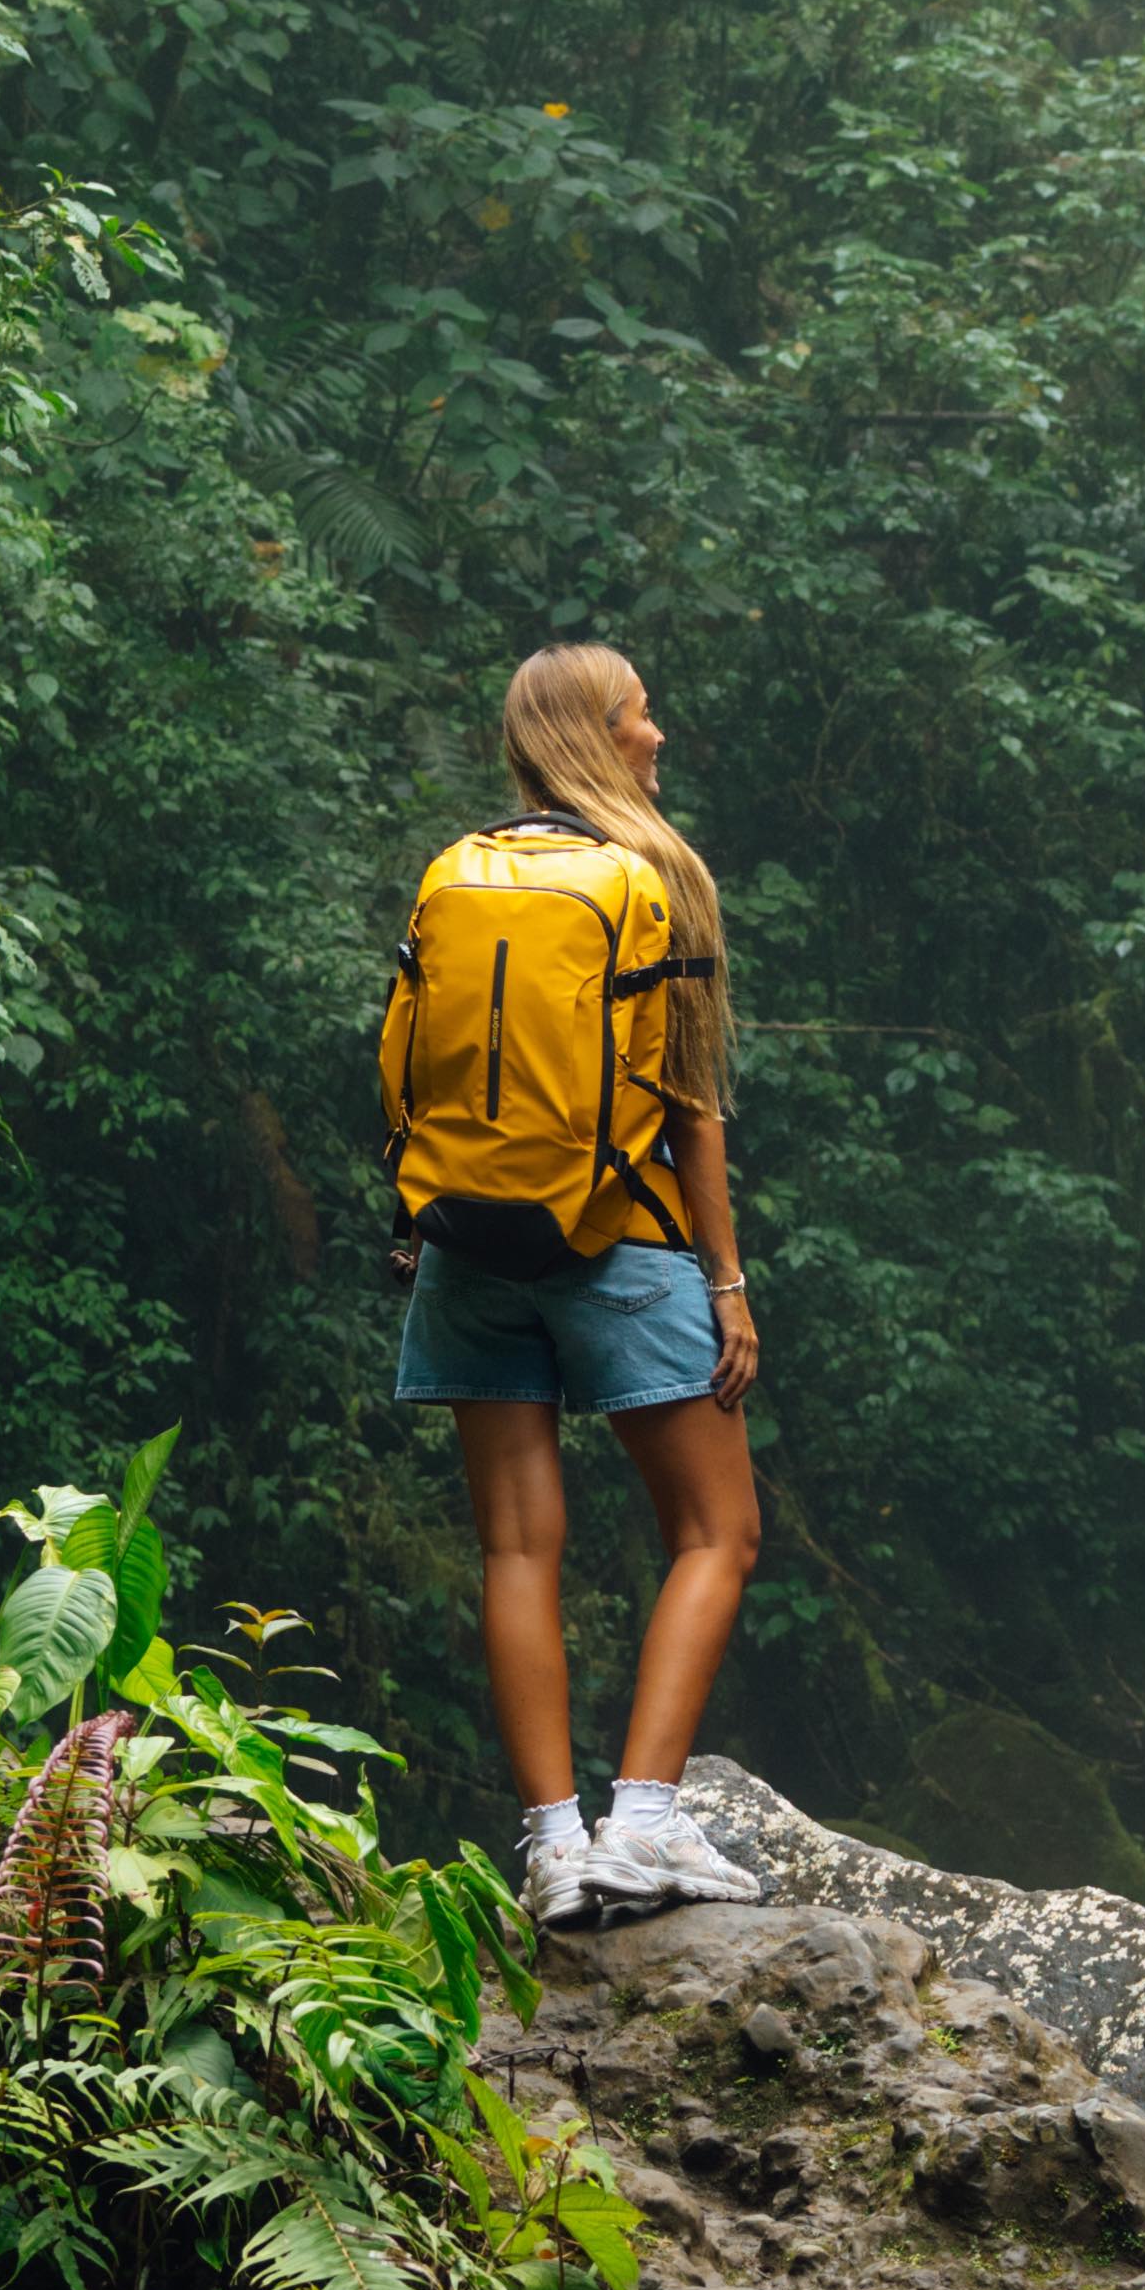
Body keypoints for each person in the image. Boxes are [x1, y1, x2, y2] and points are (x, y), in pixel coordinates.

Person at [385, 636, 769, 1930]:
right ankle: (643, 1822)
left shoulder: (460, 873)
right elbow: (693, 1111)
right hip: (624, 1242)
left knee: (513, 1544)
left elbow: (403, 1067)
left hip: (464, 1249)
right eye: (639, 716)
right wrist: (723, 1281)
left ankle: (554, 1847)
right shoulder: (654, 875)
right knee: (719, 1533)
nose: (657, 737)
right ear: (594, 736)